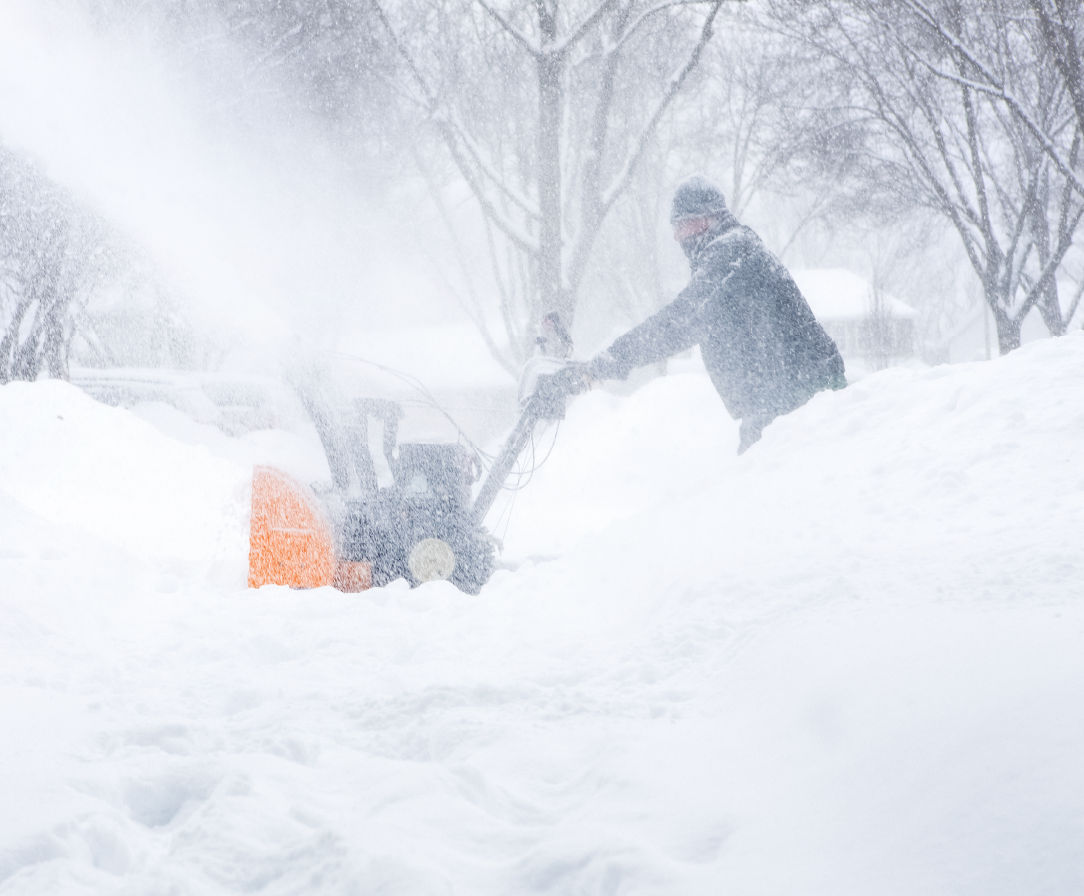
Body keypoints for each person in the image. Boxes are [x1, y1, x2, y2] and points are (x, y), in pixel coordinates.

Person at [585, 176, 846, 453]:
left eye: (681, 225)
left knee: (766, 485)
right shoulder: (730, 252)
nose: (676, 236)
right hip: (784, 397)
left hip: (800, 397)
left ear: (705, 220)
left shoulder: (732, 253)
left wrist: (614, 359)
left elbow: (682, 321)